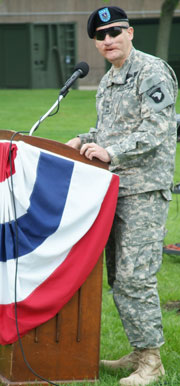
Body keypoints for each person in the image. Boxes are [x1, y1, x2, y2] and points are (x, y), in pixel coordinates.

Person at [66, 6, 178, 386]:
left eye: (114, 31)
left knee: (135, 277)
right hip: (113, 188)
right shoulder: (108, 80)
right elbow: (108, 129)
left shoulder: (151, 71)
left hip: (144, 189)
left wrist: (111, 153)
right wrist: (84, 139)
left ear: (130, 32)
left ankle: (152, 361)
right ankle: (137, 349)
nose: (107, 40)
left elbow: (158, 130)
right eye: (100, 36)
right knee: (118, 275)